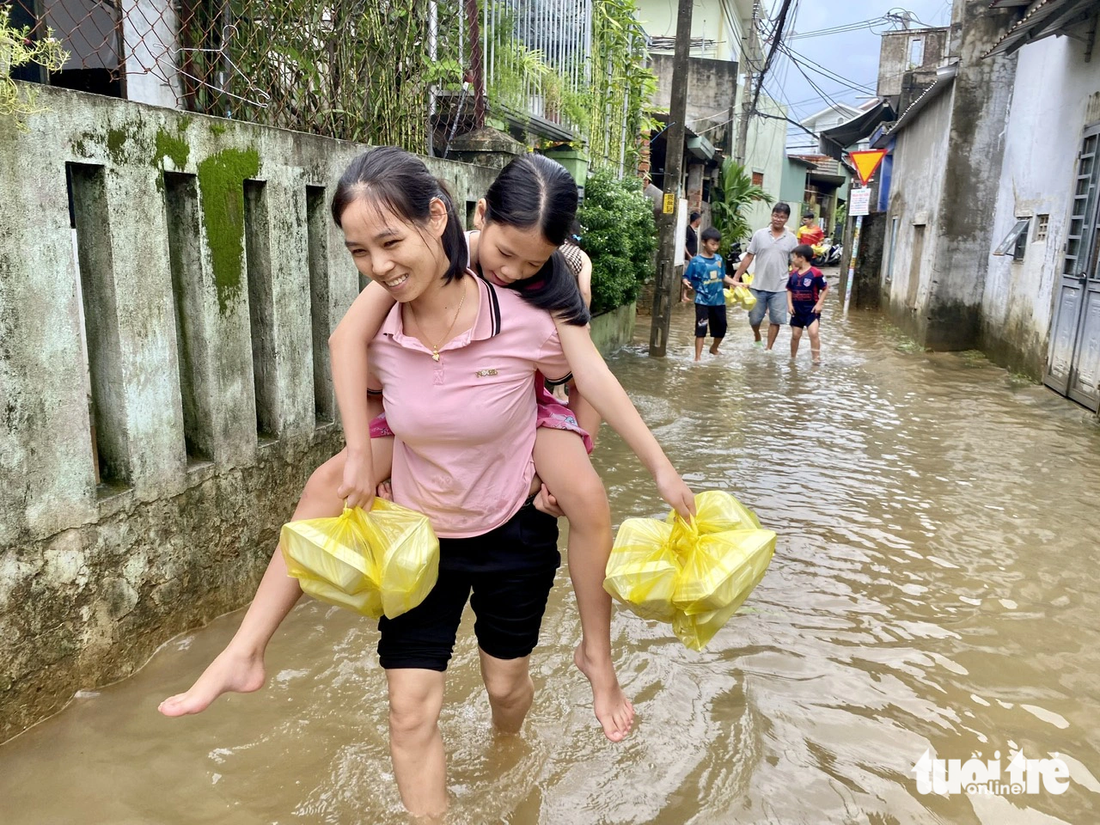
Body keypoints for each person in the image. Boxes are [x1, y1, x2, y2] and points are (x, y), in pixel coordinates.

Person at [159, 150, 695, 816]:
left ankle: (585, 669)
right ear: (475, 219)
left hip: (512, 518)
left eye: (390, 242)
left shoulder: (537, 304)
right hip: (420, 529)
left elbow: (589, 378)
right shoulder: (390, 299)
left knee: (511, 675)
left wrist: (654, 463)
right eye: (363, 249)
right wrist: (359, 450)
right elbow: (344, 344)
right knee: (405, 700)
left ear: (435, 215)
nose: (380, 262)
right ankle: (246, 649)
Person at [730, 202, 799, 351]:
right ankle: (757, 335)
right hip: (758, 284)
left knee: (776, 320)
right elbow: (748, 257)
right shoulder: (759, 235)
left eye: (782, 217)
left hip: (780, 286)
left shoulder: (792, 239)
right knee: (754, 319)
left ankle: (768, 348)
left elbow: (794, 263)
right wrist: (736, 278)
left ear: (787, 219)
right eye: (776, 215)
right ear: (771, 215)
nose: (778, 219)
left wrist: (796, 284)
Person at [682, 227, 734, 361]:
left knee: (722, 328)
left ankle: (714, 348)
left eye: (717, 244)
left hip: (719, 301)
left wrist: (737, 283)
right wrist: (686, 282)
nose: (715, 247)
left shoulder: (718, 259)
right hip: (702, 301)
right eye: (712, 244)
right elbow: (686, 276)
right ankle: (697, 358)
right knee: (701, 329)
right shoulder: (696, 261)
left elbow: (723, 276)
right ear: (704, 243)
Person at [786, 243, 829, 364]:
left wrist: (819, 304)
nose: (793, 260)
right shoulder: (793, 274)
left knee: (813, 333)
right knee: (795, 335)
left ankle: (816, 358)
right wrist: (789, 304)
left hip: (811, 309)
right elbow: (789, 290)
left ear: (801, 258)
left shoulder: (816, 273)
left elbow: (825, 288)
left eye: (794, 257)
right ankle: (793, 357)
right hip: (797, 310)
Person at [681, 211, 702, 302]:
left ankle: (685, 295)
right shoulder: (688, 230)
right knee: (686, 276)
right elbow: (684, 244)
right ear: (696, 220)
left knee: (690, 277)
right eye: (699, 219)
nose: (700, 221)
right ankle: (683, 295)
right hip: (687, 258)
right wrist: (689, 255)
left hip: (693, 258)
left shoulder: (694, 231)